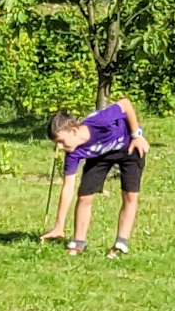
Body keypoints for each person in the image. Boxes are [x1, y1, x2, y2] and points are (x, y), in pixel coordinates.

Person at [46, 94, 145, 257]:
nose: (59, 147)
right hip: (100, 155)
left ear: (74, 131)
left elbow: (126, 104)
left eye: (61, 141)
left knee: (130, 195)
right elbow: (68, 187)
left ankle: (121, 243)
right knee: (84, 196)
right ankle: (78, 242)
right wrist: (59, 225)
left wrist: (136, 136)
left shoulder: (101, 120)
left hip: (129, 146)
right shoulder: (73, 153)